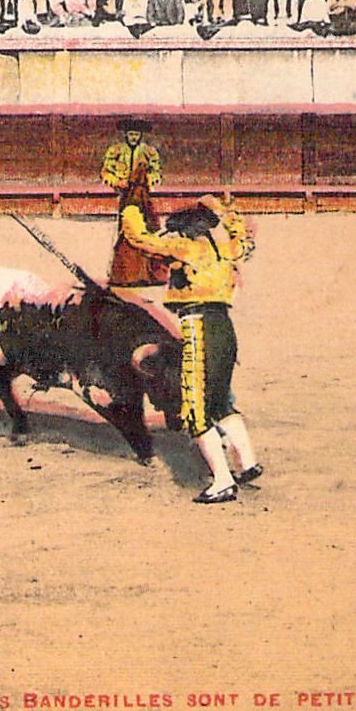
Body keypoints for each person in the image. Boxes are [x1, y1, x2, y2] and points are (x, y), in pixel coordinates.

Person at [118, 194, 262, 504]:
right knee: (220, 401)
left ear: (186, 230)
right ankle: (248, 464)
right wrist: (226, 211)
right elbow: (242, 237)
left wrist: (129, 211)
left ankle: (223, 482)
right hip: (225, 329)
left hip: (199, 327)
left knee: (196, 411)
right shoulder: (226, 249)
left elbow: (141, 239)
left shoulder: (185, 247)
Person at [101, 119, 169, 287]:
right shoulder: (115, 150)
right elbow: (105, 173)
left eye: (136, 134)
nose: (133, 137)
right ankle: (126, 272)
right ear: (125, 134)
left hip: (142, 196)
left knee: (146, 231)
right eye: (131, 134)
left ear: (141, 135)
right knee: (126, 231)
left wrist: (145, 181)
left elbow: (157, 174)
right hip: (125, 196)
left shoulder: (149, 152)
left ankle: (146, 273)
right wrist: (118, 182)